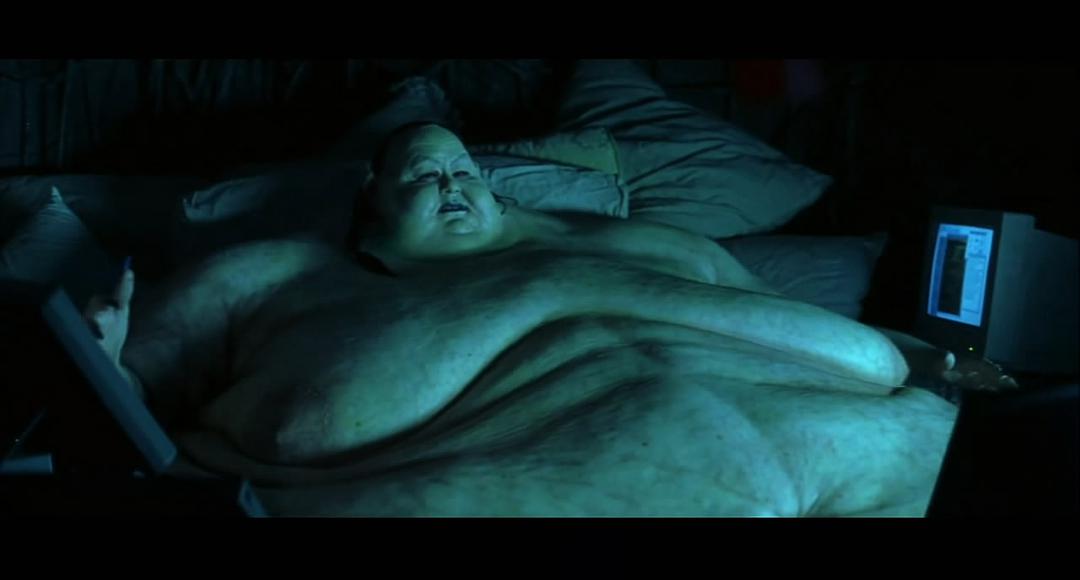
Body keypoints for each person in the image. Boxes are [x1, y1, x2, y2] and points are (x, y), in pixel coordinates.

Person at [80, 121, 1011, 516]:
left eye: (466, 171)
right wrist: (108, 357)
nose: (454, 183)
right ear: (370, 200)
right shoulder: (273, 273)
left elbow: (787, 316)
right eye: (425, 174)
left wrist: (941, 361)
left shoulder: (655, 245)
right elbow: (112, 403)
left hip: (903, 473)